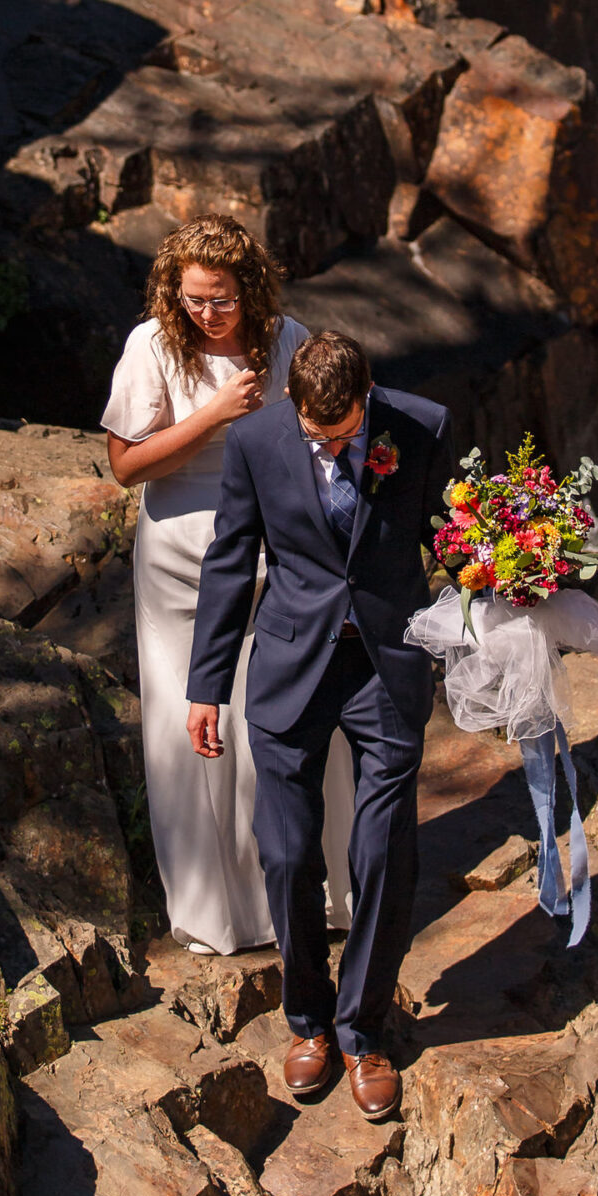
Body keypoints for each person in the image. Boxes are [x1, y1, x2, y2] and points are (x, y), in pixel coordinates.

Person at [186, 329, 450, 1122]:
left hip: (386, 662)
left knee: (380, 852)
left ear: (366, 399)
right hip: (290, 666)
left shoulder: (423, 426)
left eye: (339, 436)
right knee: (288, 852)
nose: (323, 446)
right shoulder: (256, 438)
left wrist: (510, 573)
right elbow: (231, 556)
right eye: (312, 432)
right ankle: (306, 1021)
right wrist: (206, 684)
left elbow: (449, 529)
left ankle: (364, 1030)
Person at [102, 216, 353, 956]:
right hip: (180, 558)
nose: (205, 313)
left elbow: (321, 439)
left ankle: (315, 895)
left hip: (271, 557)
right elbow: (125, 465)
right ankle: (217, 909)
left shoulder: (285, 341)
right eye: (193, 299)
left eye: (220, 299)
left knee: (284, 720)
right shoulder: (151, 346)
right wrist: (214, 416)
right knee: (193, 732)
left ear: (251, 289)